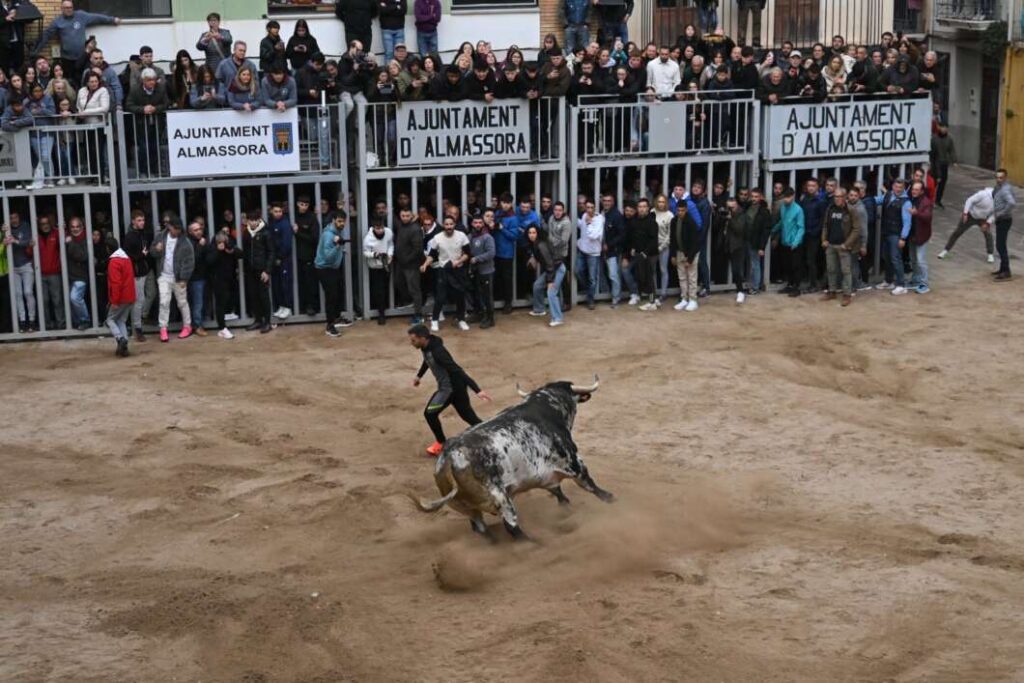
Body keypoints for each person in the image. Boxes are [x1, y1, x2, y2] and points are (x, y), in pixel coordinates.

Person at [410, 323, 492, 456]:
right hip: (454, 387)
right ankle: (491, 433)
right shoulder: (426, 347)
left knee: (430, 413)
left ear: (423, 338)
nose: (411, 343)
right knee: (468, 416)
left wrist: (477, 390)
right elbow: (427, 360)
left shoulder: (438, 353)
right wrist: (419, 376)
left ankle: (441, 443)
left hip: (450, 389)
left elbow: (458, 370)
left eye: (413, 340)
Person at [33, 0, 120, 80]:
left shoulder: (81, 16)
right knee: (69, 80)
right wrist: (35, 52)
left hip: (82, 57)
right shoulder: (57, 21)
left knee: (84, 79)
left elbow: (97, 18)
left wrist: (112, 20)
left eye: (71, 7)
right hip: (67, 59)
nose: (69, 10)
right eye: (66, 8)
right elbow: (46, 35)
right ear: (62, 9)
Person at [422, 215, 471, 332]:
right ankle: (434, 320)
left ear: (454, 224)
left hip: (458, 270)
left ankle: (461, 320)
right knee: (440, 297)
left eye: (451, 224)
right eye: (446, 224)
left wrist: (458, 261)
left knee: (460, 296)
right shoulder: (437, 238)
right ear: (443, 225)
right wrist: (425, 264)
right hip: (443, 270)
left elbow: (467, 254)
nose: (449, 226)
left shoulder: (462, 236)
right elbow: (432, 255)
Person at [150, 217, 194, 342]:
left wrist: (184, 278)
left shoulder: (185, 242)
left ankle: (187, 326)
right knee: (164, 302)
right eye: (175, 229)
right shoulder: (161, 237)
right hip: (164, 275)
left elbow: (189, 261)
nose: (177, 232)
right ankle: (163, 328)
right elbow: (152, 252)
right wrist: (156, 250)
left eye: (179, 229)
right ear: (170, 228)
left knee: (182, 302)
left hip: (178, 277)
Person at [820, 188, 861, 307]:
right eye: (835, 197)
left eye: (839, 196)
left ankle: (847, 294)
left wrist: (847, 244)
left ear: (845, 197)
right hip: (831, 244)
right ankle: (832, 291)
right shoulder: (830, 208)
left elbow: (857, 229)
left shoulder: (851, 210)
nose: (837, 199)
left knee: (846, 271)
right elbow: (825, 225)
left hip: (844, 246)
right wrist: (824, 239)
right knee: (831, 269)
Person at [126, 68, 169, 178]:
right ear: (143, 81)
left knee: (154, 148)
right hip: (141, 124)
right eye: (149, 80)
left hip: (156, 123)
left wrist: (155, 108)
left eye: (153, 80)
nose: (152, 82)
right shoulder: (135, 90)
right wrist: (142, 109)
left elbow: (166, 103)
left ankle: (154, 171)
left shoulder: (161, 89)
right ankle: (143, 172)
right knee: (143, 148)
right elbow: (129, 105)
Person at [874, 179, 913, 296]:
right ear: (892, 186)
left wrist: (903, 238)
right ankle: (889, 280)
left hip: (896, 234)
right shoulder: (888, 195)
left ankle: (901, 285)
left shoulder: (906, 202)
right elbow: (877, 200)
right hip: (886, 232)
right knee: (886, 257)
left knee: (896, 259)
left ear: (904, 188)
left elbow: (907, 222)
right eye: (896, 187)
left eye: (900, 187)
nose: (898, 189)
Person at [938, 185, 995, 263]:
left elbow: (995, 213)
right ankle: (945, 250)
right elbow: (969, 200)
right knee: (957, 232)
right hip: (971, 215)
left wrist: (988, 223)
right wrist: (965, 213)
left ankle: (990, 254)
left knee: (988, 234)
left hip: (983, 218)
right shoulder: (983, 194)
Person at [315, 210, 349, 338]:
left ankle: (336, 318)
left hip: (333, 268)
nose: (342, 224)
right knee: (331, 296)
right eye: (339, 221)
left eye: (343, 221)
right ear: (333, 220)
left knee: (338, 292)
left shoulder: (336, 231)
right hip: (325, 268)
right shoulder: (329, 235)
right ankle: (330, 326)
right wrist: (338, 246)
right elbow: (328, 257)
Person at [242, 209, 275, 334]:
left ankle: (267, 322)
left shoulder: (266, 233)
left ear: (259, 220)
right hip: (250, 270)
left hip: (262, 270)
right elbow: (245, 252)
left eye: (255, 220)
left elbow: (271, 252)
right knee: (253, 296)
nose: (253, 223)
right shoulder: (246, 233)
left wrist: (267, 271)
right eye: (251, 220)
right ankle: (258, 320)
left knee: (264, 296)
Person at [525, 225, 565, 327]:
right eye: (529, 233)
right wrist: (533, 257)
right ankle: (539, 310)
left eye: (534, 233)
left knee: (551, 292)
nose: (531, 235)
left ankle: (558, 318)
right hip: (552, 269)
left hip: (557, 269)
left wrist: (550, 281)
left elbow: (549, 263)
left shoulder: (540, 244)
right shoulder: (535, 243)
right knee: (537, 286)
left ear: (538, 233)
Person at [122, 211, 153, 342]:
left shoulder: (142, 234)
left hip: (144, 270)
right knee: (138, 300)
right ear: (133, 221)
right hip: (137, 272)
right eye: (139, 220)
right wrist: (142, 255)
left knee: (148, 296)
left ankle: (137, 323)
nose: (142, 222)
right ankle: (137, 327)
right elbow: (128, 256)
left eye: (143, 220)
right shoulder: (130, 237)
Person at [4, 212, 37, 332]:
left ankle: (32, 320)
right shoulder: (6, 229)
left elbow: (29, 242)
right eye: (11, 218)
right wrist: (4, 235)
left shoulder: (25, 226)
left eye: (15, 217)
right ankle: (22, 321)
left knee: (28, 292)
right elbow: (3, 243)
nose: (13, 220)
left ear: (19, 217)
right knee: (17, 294)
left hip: (26, 264)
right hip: (13, 267)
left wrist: (15, 241)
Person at [771, 188, 805, 297]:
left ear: (793, 196)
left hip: (794, 244)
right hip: (785, 241)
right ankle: (790, 285)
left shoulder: (798, 210)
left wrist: (796, 242)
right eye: (785, 197)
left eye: (788, 197)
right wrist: (773, 230)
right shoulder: (783, 208)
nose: (786, 199)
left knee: (796, 266)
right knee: (787, 266)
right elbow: (783, 221)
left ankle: (797, 287)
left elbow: (801, 228)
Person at [628, 197, 660, 311]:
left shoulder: (652, 222)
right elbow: (634, 237)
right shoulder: (635, 221)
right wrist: (633, 248)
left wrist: (645, 253)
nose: (642, 209)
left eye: (644, 207)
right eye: (640, 207)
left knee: (649, 279)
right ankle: (653, 299)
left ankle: (652, 302)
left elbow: (654, 241)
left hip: (650, 254)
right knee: (643, 278)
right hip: (640, 254)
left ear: (648, 208)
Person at [669, 200, 700, 311]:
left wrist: (690, 258)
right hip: (679, 252)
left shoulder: (691, 222)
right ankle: (684, 299)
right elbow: (672, 239)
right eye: (678, 210)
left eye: (682, 210)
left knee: (691, 277)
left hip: (691, 253)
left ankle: (693, 300)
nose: (680, 212)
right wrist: (672, 255)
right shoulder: (674, 221)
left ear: (686, 210)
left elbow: (695, 242)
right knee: (682, 277)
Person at [105, 245, 135, 357]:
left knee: (110, 320)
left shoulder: (114, 262)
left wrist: (114, 301)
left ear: (108, 249)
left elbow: (116, 283)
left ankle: (120, 338)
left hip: (121, 297)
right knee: (121, 320)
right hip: (130, 296)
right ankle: (124, 345)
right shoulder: (126, 259)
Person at [363, 217, 394, 325]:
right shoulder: (368, 239)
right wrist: (374, 255)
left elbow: (390, 244)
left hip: (386, 265)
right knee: (378, 291)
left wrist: (390, 254)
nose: (380, 230)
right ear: (373, 227)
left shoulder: (389, 232)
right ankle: (381, 314)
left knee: (386, 288)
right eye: (377, 228)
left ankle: (386, 308)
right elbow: (365, 252)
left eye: (381, 227)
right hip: (375, 267)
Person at [36, 215, 65, 330]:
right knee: (44, 301)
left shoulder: (55, 234)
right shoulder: (36, 236)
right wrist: (30, 246)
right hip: (41, 274)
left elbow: (65, 241)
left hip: (54, 273)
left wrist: (63, 230)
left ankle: (61, 325)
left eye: (47, 223)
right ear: (39, 226)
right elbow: (29, 253)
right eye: (42, 224)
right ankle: (46, 326)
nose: (45, 226)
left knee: (57, 300)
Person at [211, 232, 241, 339]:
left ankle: (229, 316)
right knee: (220, 304)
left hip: (231, 279)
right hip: (218, 280)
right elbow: (209, 261)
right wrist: (218, 251)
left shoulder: (230, 245)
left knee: (229, 299)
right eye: (220, 241)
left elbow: (241, 254)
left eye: (225, 241)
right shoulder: (213, 248)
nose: (223, 243)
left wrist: (232, 250)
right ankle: (222, 328)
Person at [468, 215, 496, 329]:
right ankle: (478, 314)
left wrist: (476, 259)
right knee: (476, 294)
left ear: (483, 224)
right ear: (472, 224)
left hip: (486, 271)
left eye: (480, 222)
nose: (478, 225)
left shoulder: (487, 237)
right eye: (475, 222)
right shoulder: (469, 237)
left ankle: (490, 318)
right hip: (475, 271)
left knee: (487, 296)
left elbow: (491, 253)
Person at [575, 199, 604, 310]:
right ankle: (588, 290)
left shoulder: (599, 219)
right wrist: (574, 219)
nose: (589, 210)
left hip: (593, 253)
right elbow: (582, 227)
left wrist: (588, 223)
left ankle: (590, 299)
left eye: (592, 207)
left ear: (595, 208)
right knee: (577, 271)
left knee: (592, 278)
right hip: (582, 250)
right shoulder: (584, 215)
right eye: (587, 207)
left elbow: (593, 236)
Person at [187, 221, 215, 335]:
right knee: (197, 303)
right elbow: (194, 259)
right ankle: (197, 326)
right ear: (190, 232)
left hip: (205, 276)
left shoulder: (203, 241)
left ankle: (201, 322)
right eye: (195, 230)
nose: (199, 231)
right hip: (195, 277)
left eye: (200, 229)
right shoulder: (190, 243)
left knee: (203, 301)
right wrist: (200, 246)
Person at [266, 203, 293, 320]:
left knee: (285, 284)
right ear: (271, 211)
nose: (278, 213)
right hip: (275, 259)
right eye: (275, 211)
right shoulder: (272, 223)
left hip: (283, 259)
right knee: (277, 284)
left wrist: (279, 258)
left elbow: (286, 244)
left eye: (280, 211)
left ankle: (287, 307)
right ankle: (281, 307)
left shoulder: (285, 224)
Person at [64, 216, 91, 330]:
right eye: (72, 227)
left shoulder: (85, 239)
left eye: (77, 226)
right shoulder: (67, 238)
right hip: (68, 275)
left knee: (75, 298)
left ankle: (85, 320)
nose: (75, 229)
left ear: (82, 227)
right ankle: (76, 322)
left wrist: (71, 244)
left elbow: (82, 256)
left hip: (80, 275)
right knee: (70, 301)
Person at [907, 180, 933, 293]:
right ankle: (916, 279)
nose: (914, 191)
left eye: (916, 190)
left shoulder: (926, 202)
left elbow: (928, 217)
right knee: (913, 259)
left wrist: (916, 213)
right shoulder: (911, 199)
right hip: (913, 235)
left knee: (920, 260)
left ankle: (925, 283)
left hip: (921, 236)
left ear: (922, 191)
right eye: (913, 189)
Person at [991, 168, 1017, 282]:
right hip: (1002, 219)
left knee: (1000, 246)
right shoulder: (1001, 187)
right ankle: (1003, 269)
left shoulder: (1005, 189)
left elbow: (1011, 202)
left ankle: (1006, 271)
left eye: (1001, 177)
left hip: (1004, 220)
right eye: (997, 177)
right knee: (1000, 245)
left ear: (1005, 178)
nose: (998, 179)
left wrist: (1001, 213)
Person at [724, 198, 750, 304]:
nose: (730, 209)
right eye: (728, 207)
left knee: (736, 270)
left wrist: (731, 219)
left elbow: (739, 229)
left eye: (732, 207)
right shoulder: (725, 213)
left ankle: (740, 291)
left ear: (737, 205)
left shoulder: (742, 215)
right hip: (726, 245)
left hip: (738, 246)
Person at [931, 124, 956, 208]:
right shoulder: (934, 139)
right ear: (939, 128)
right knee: (934, 182)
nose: (944, 129)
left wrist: (954, 160)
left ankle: (938, 200)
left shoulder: (949, 138)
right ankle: (932, 200)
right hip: (935, 163)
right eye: (942, 127)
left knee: (943, 183)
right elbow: (932, 154)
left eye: (946, 128)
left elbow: (951, 150)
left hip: (944, 163)